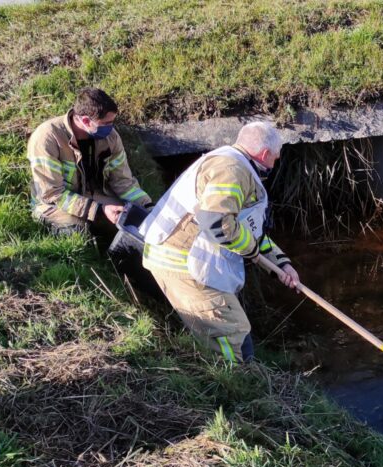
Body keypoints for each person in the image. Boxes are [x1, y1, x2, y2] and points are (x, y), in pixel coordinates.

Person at [140, 121, 299, 363]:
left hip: (196, 260)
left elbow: (249, 230)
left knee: (236, 325)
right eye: (276, 159)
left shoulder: (238, 165)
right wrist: (252, 251)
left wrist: (281, 264)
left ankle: (247, 371)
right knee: (230, 330)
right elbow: (218, 224)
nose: (274, 164)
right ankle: (234, 383)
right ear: (265, 154)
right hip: (181, 263)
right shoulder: (231, 169)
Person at [27, 88, 152, 235]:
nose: (111, 127)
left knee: (134, 221)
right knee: (78, 230)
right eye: (106, 123)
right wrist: (99, 210)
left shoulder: (111, 138)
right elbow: (52, 194)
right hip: (54, 204)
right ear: (85, 120)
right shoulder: (47, 138)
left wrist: (148, 207)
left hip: (97, 198)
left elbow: (123, 182)